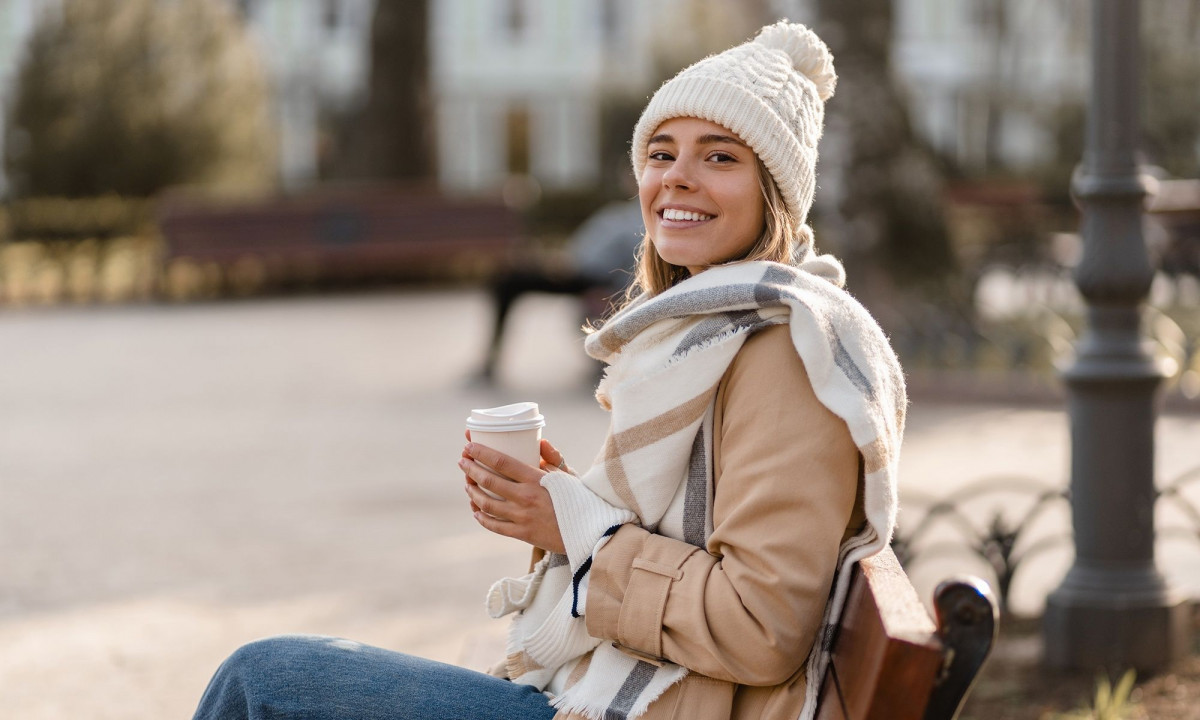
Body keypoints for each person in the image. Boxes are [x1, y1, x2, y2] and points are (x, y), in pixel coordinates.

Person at [191, 20, 906, 720]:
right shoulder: (712, 333)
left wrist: (579, 530)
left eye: (719, 157)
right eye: (660, 154)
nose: (677, 178)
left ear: (774, 191)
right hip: (656, 691)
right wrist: (561, 503)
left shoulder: (786, 353)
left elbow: (760, 628)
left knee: (263, 681)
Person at [477, 198, 644, 383]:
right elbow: (579, 248)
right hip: (574, 271)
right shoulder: (617, 211)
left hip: (599, 279)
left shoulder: (652, 216)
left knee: (512, 281)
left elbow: (641, 266)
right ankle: (490, 361)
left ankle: (605, 359)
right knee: (508, 281)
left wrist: (617, 289)